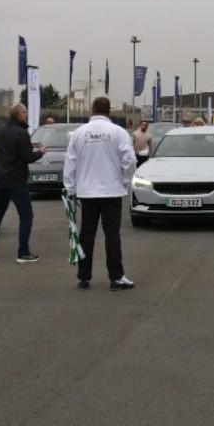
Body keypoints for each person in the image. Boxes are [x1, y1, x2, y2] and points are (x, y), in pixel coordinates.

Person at [63, 96, 137, 291]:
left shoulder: (79, 133)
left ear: (92, 110)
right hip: (111, 191)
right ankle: (116, 277)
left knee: (86, 235)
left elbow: (70, 164)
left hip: (87, 192)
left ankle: (84, 277)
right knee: (112, 235)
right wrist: (124, 181)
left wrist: (70, 189)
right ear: (109, 111)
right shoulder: (118, 132)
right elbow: (130, 160)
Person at [0, 103, 45, 262]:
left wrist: (29, 146)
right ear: (19, 115)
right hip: (17, 181)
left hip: (1, 180)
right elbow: (28, 157)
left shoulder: (1, 131)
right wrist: (40, 153)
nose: (26, 114)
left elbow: (2, 150)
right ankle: (23, 253)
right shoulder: (21, 133)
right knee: (26, 216)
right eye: (25, 111)